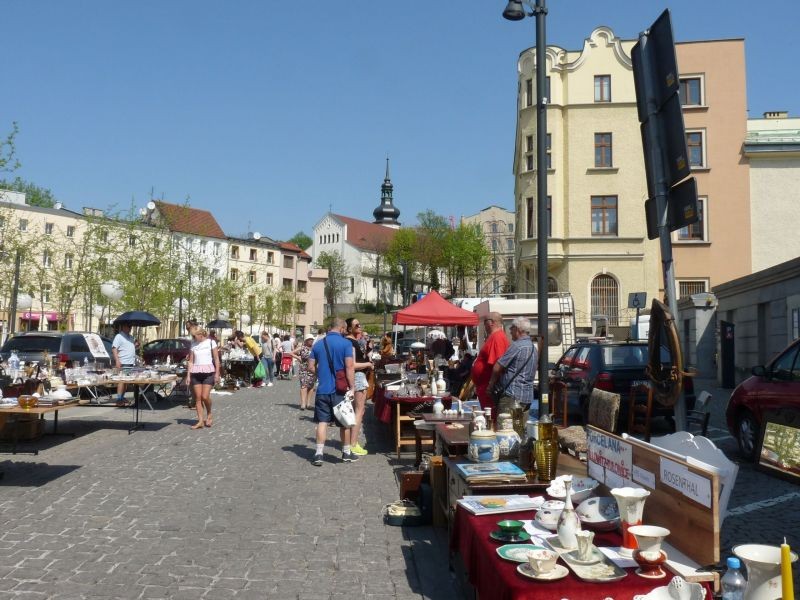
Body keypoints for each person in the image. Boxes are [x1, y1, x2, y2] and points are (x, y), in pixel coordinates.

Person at [307, 317, 356, 466]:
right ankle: (346, 453)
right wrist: (352, 387)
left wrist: (319, 374)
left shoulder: (318, 344)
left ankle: (319, 454)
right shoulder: (346, 343)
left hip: (322, 390)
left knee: (322, 422)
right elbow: (349, 367)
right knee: (344, 423)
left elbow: (310, 367)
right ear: (342, 328)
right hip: (339, 390)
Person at [486, 316, 538, 418]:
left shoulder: (517, 346)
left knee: (505, 429)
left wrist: (490, 385)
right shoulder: (533, 348)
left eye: (511, 328)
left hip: (512, 396)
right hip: (527, 397)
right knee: (520, 430)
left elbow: (498, 366)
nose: (510, 331)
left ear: (518, 329)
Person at [470, 311, 510, 412]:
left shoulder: (497, 337)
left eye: (485, 322)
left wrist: (490, 385)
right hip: (485, 386)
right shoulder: (494, 337)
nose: (483, 325)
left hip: (489, 388)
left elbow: (499, 364)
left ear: (491, 322)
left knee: (491, 417)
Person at [345, 317, 373, 456]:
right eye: (357, 325)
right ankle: (353, 444)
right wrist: (368, 364)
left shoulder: (356, 341)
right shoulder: (350, 343)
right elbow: (353, 364)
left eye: (360, 324)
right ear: (350, 328)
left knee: (357, 410)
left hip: (359, 376)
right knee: (359, 410)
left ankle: (351, 442)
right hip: (357, 376)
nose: (360, 327)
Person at [185, 327, 220, 429]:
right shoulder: (193, 344)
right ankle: (200, 421)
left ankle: (209, 413)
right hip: (196, 372)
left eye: (194, 336)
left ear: (201, 335)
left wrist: (217, 373)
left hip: (208, 372)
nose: (193, 338)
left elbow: (216, 358)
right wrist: (188, 375)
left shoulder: (210, 342)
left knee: (205, 397)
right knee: (198, 398)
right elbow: (191, 361)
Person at [288, 334, 316, 410]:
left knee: (311, 386)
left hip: (312, 368)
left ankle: (308, 403)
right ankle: (303, 403)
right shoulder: (302, 348)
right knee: (303, 385)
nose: (311, 341)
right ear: (306, 341)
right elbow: (291, 353)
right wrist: (298, 358)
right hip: (303, 368)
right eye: (310, 339)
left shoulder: (314, 348)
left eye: (312, 339)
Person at [112, 323, 136, 407]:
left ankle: (122, 397)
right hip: (123, 362)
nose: (130, 328)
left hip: (130, 362)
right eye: (129, 326)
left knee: (126, 381)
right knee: (122, 381)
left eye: (131, 326)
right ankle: (118, 399)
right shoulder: (119, 336)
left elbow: (128, 348)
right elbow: (114, 348)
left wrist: (136, 346)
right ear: (123, 326)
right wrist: (117, 360)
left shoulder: (131, 337)